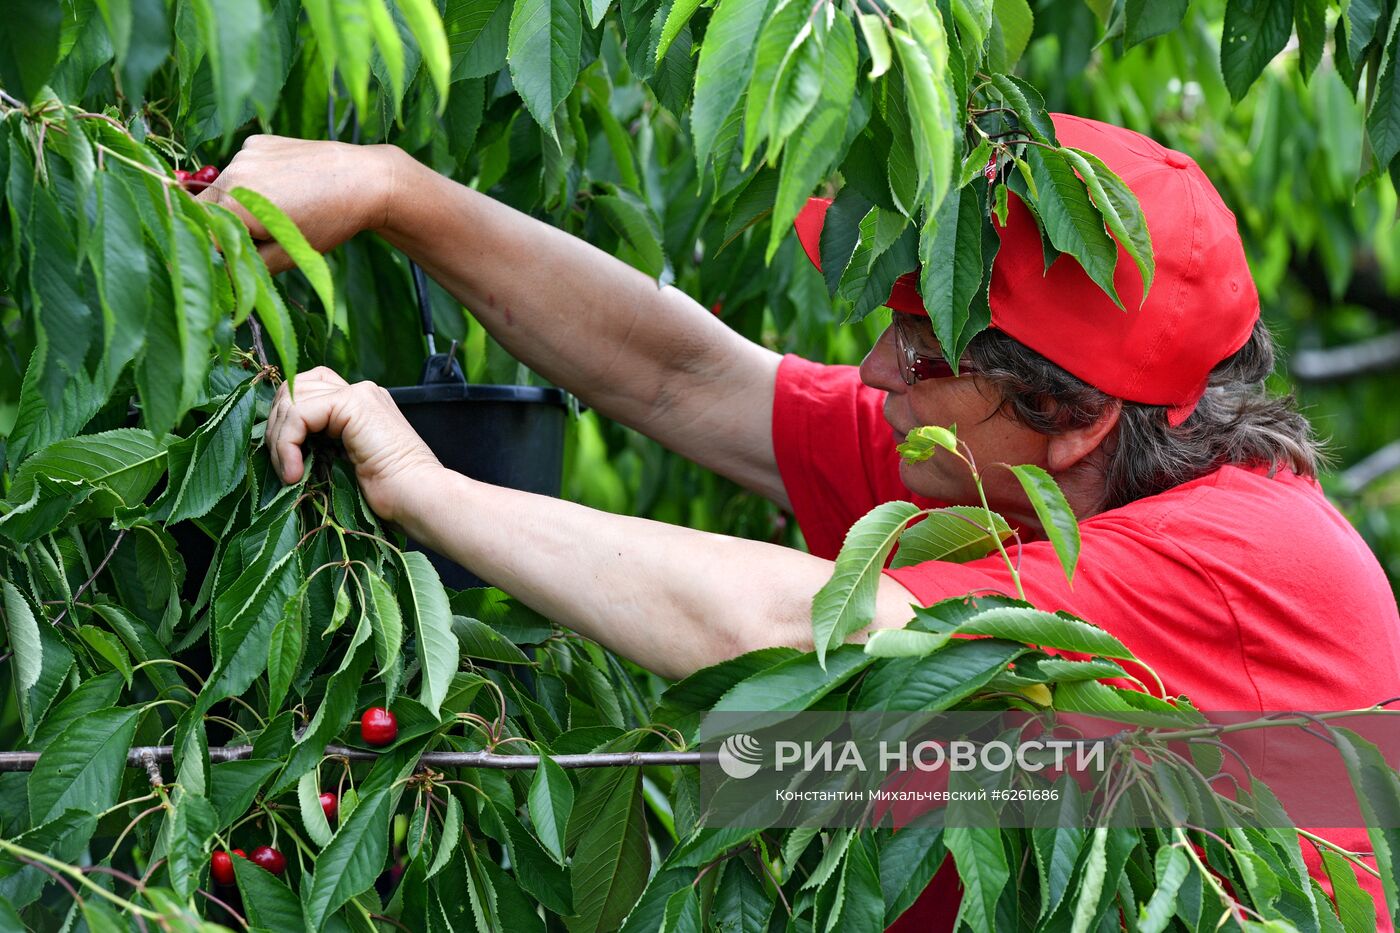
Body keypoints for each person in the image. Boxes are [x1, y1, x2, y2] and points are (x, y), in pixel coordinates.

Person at [208, 114, 1400, 928]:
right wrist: (393, 191)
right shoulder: (990, 471)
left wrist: (431, 493)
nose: (877, 368)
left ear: (1075, 419)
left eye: (922, 350)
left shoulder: (1250, 570)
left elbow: (795, 629)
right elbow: (688, 379)